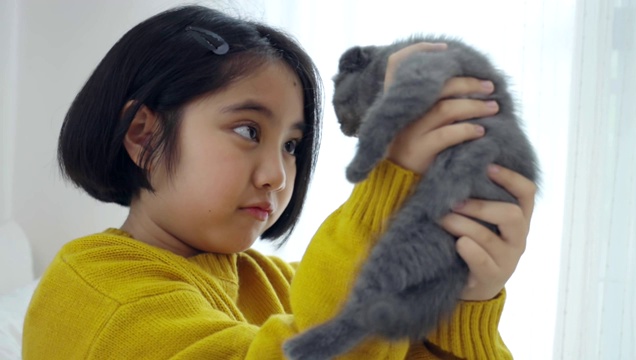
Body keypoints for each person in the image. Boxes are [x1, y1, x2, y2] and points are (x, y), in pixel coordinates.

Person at [22, 5, 535, 359]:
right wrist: (388, 193)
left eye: (291, 145)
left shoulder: (279, 283)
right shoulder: (97, 293)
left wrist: (469, 302)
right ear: (142, 134)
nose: (277, 175)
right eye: (248, 131)